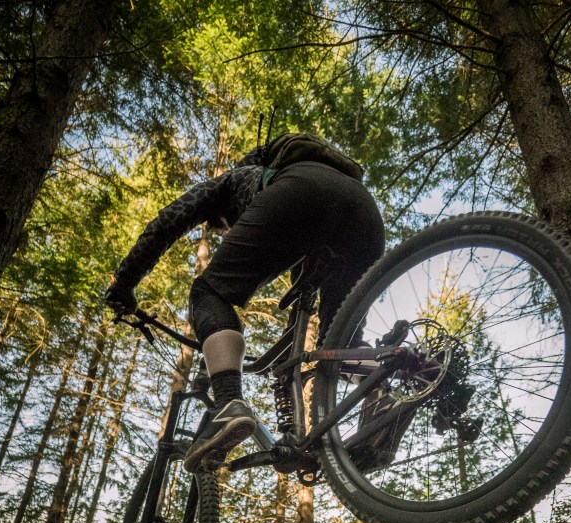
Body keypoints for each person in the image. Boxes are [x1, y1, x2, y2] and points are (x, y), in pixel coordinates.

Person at [104, 136, 385, 473]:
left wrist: (123, 284)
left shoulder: (237, 179)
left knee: (209, 293)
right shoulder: (316, 176)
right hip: (366, 214)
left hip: (300, 195)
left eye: (222, 228)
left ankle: (228, 404)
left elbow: (168, 221)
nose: (227, 232)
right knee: (336, 348)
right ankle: (393, 383)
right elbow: (301, 303)